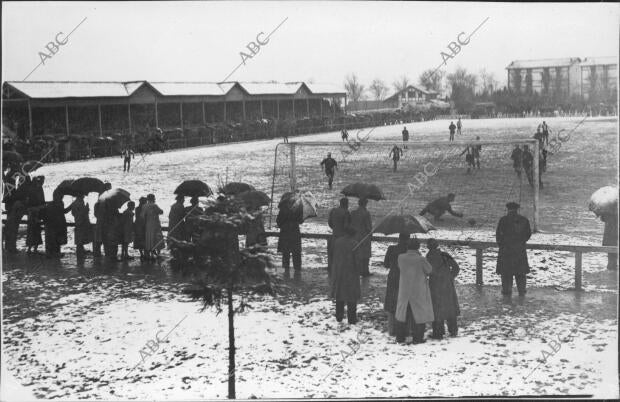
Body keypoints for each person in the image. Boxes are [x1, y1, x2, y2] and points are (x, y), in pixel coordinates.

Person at [395, 238, 434, 344]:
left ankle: (400, 337)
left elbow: (400, 267)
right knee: (418, 314)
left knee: (402, 314)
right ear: (418, 247)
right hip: (417, 290)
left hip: (404, 290)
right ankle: (418, 338)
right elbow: (429, 270)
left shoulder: (401, 258)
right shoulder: (420, 259)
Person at [495, 202, 531, 297]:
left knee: (506, 274)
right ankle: (521, 293)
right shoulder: (524, 220)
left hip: (506, 251)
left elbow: (498, 236)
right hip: (519, 251)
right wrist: (520, 243)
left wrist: (503, 246)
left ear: (508, 209)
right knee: (521, 273)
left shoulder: (503, 220)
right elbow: (528, 234)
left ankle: (507, 296)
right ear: (517, 209)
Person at [426, 239, 460, 339]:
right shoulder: (444, 255)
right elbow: (456, 268)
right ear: (437, 245)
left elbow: (427, 271)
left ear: (428, 247)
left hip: (434, 285)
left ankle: (438, 332)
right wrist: (450, 277)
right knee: (450, 305)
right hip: (447, 284)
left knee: (436, 308)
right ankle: (453, 330)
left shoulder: (428, 257)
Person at [330, 226, 361, 325]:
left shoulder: (338, 242)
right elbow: (357, 261)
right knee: (351, 296)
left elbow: (333, 255)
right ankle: (351, 318)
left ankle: (339, 316)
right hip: (351, 273)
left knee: (340, 294)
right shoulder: (355, 244)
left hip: (339, 271)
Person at [383, 232, 410, 336]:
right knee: (404, 303)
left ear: (399, 239)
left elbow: (386, 264)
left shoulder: (391, 249)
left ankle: (391, 329)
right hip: (406, 278)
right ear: (408, 240)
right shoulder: (409, 251)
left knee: (391, 302)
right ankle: (404, 328)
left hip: (393, 277)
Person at [276, 200, 303, 271]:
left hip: (285, 233)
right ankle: (297, 270)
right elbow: (301, 221)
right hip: (295, 232)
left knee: (285, 252)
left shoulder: (282, 209)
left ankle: (286, 270)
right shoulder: (298, 208)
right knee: (296, 252)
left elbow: (278, 222)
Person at [40, 192, 69, 258]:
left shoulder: (54, 204)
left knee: (55, 240)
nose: (62, 197)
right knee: (54, 240)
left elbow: (62, 211)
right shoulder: (55, 204)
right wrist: (70, 207)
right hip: (54, 224)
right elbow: (63, 211)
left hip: (55, 224)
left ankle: (52, 253)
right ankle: (53, 253)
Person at [327, 197, 351, 273]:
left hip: (334, 237)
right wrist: (352, 232)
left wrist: (336, 228)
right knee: (342, 259)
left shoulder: (333, 211)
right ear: (346, 204)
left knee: (333, 258)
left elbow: (330, 224)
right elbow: (346, 226)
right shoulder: (346, 212)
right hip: (343, 238)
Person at [350, 197, 372, 277]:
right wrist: (371, 234)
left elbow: (350, 224)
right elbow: (368, 227)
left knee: (357, 254)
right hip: (364, 236)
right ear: (365, 203)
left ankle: (356, 270)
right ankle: (365, 272)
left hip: (354, 236)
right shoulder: (366, 213)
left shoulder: (353, 213)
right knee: (365, 255)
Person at [25, 176, 46, 253]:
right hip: (35, 212)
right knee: (34, 230)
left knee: (33, 230)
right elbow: (41, 201)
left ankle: (31, 248)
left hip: (34, 212)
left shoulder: (35, 189)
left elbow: (28, 202)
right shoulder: (37, 189)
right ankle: (32, 248)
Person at [142, 193, 164, 260]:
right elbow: (161, 212)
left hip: (148, 224)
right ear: (153, 199)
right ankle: (158, 254)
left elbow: (142, 216)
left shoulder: (144, 206)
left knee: (149, 238)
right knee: (157, 238)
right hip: (155, 224)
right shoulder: (154, 205)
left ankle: (149, 254)